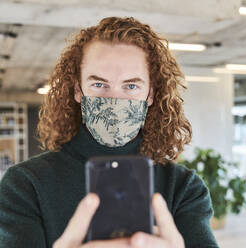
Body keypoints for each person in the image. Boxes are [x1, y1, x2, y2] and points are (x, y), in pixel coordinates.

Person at [0, 17, 219, 248]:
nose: (114, 99)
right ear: (78, 90)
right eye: (99, 84)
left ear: (151, 95)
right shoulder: (25, 185)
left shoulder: (183, 187)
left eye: (131, 86)